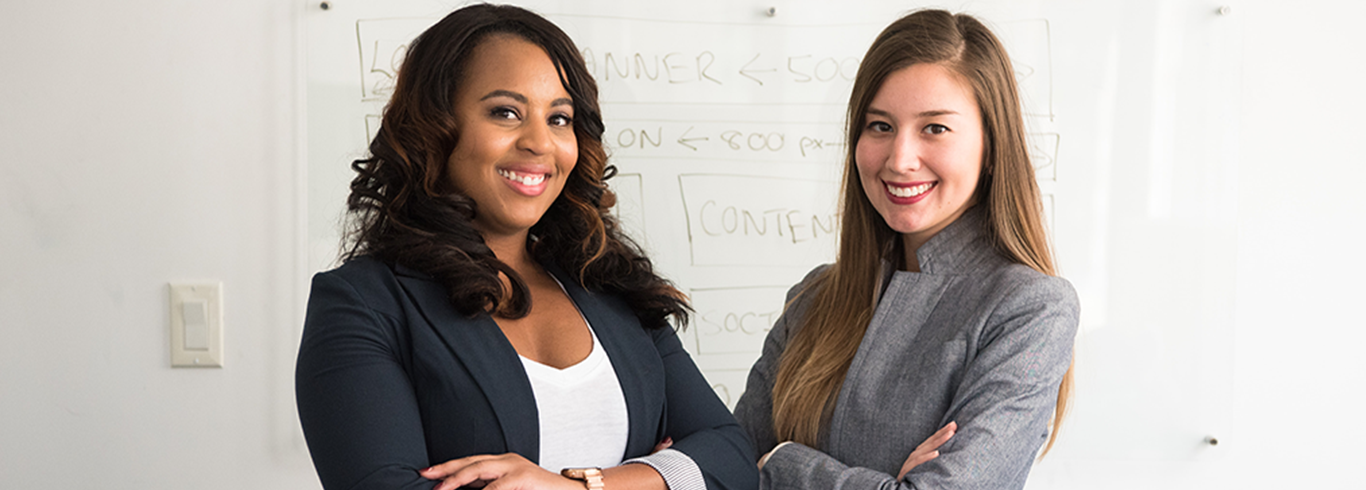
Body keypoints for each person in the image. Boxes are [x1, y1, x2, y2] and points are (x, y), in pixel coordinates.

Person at [295, 5, 757, 490]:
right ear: (436, 126)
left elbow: (729, 459)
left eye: (559, 119)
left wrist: (583, 487)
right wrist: (663, 475)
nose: (540, 142)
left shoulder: (611, 287)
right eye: (506, 112)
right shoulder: (363, 303)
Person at [733, 9, 1080, 490]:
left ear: (991, 146)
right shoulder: (813, 297)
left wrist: (781, 460)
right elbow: (726, 468)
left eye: (935, 128)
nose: (900, 159)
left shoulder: (1029, 309)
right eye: (880, 126)